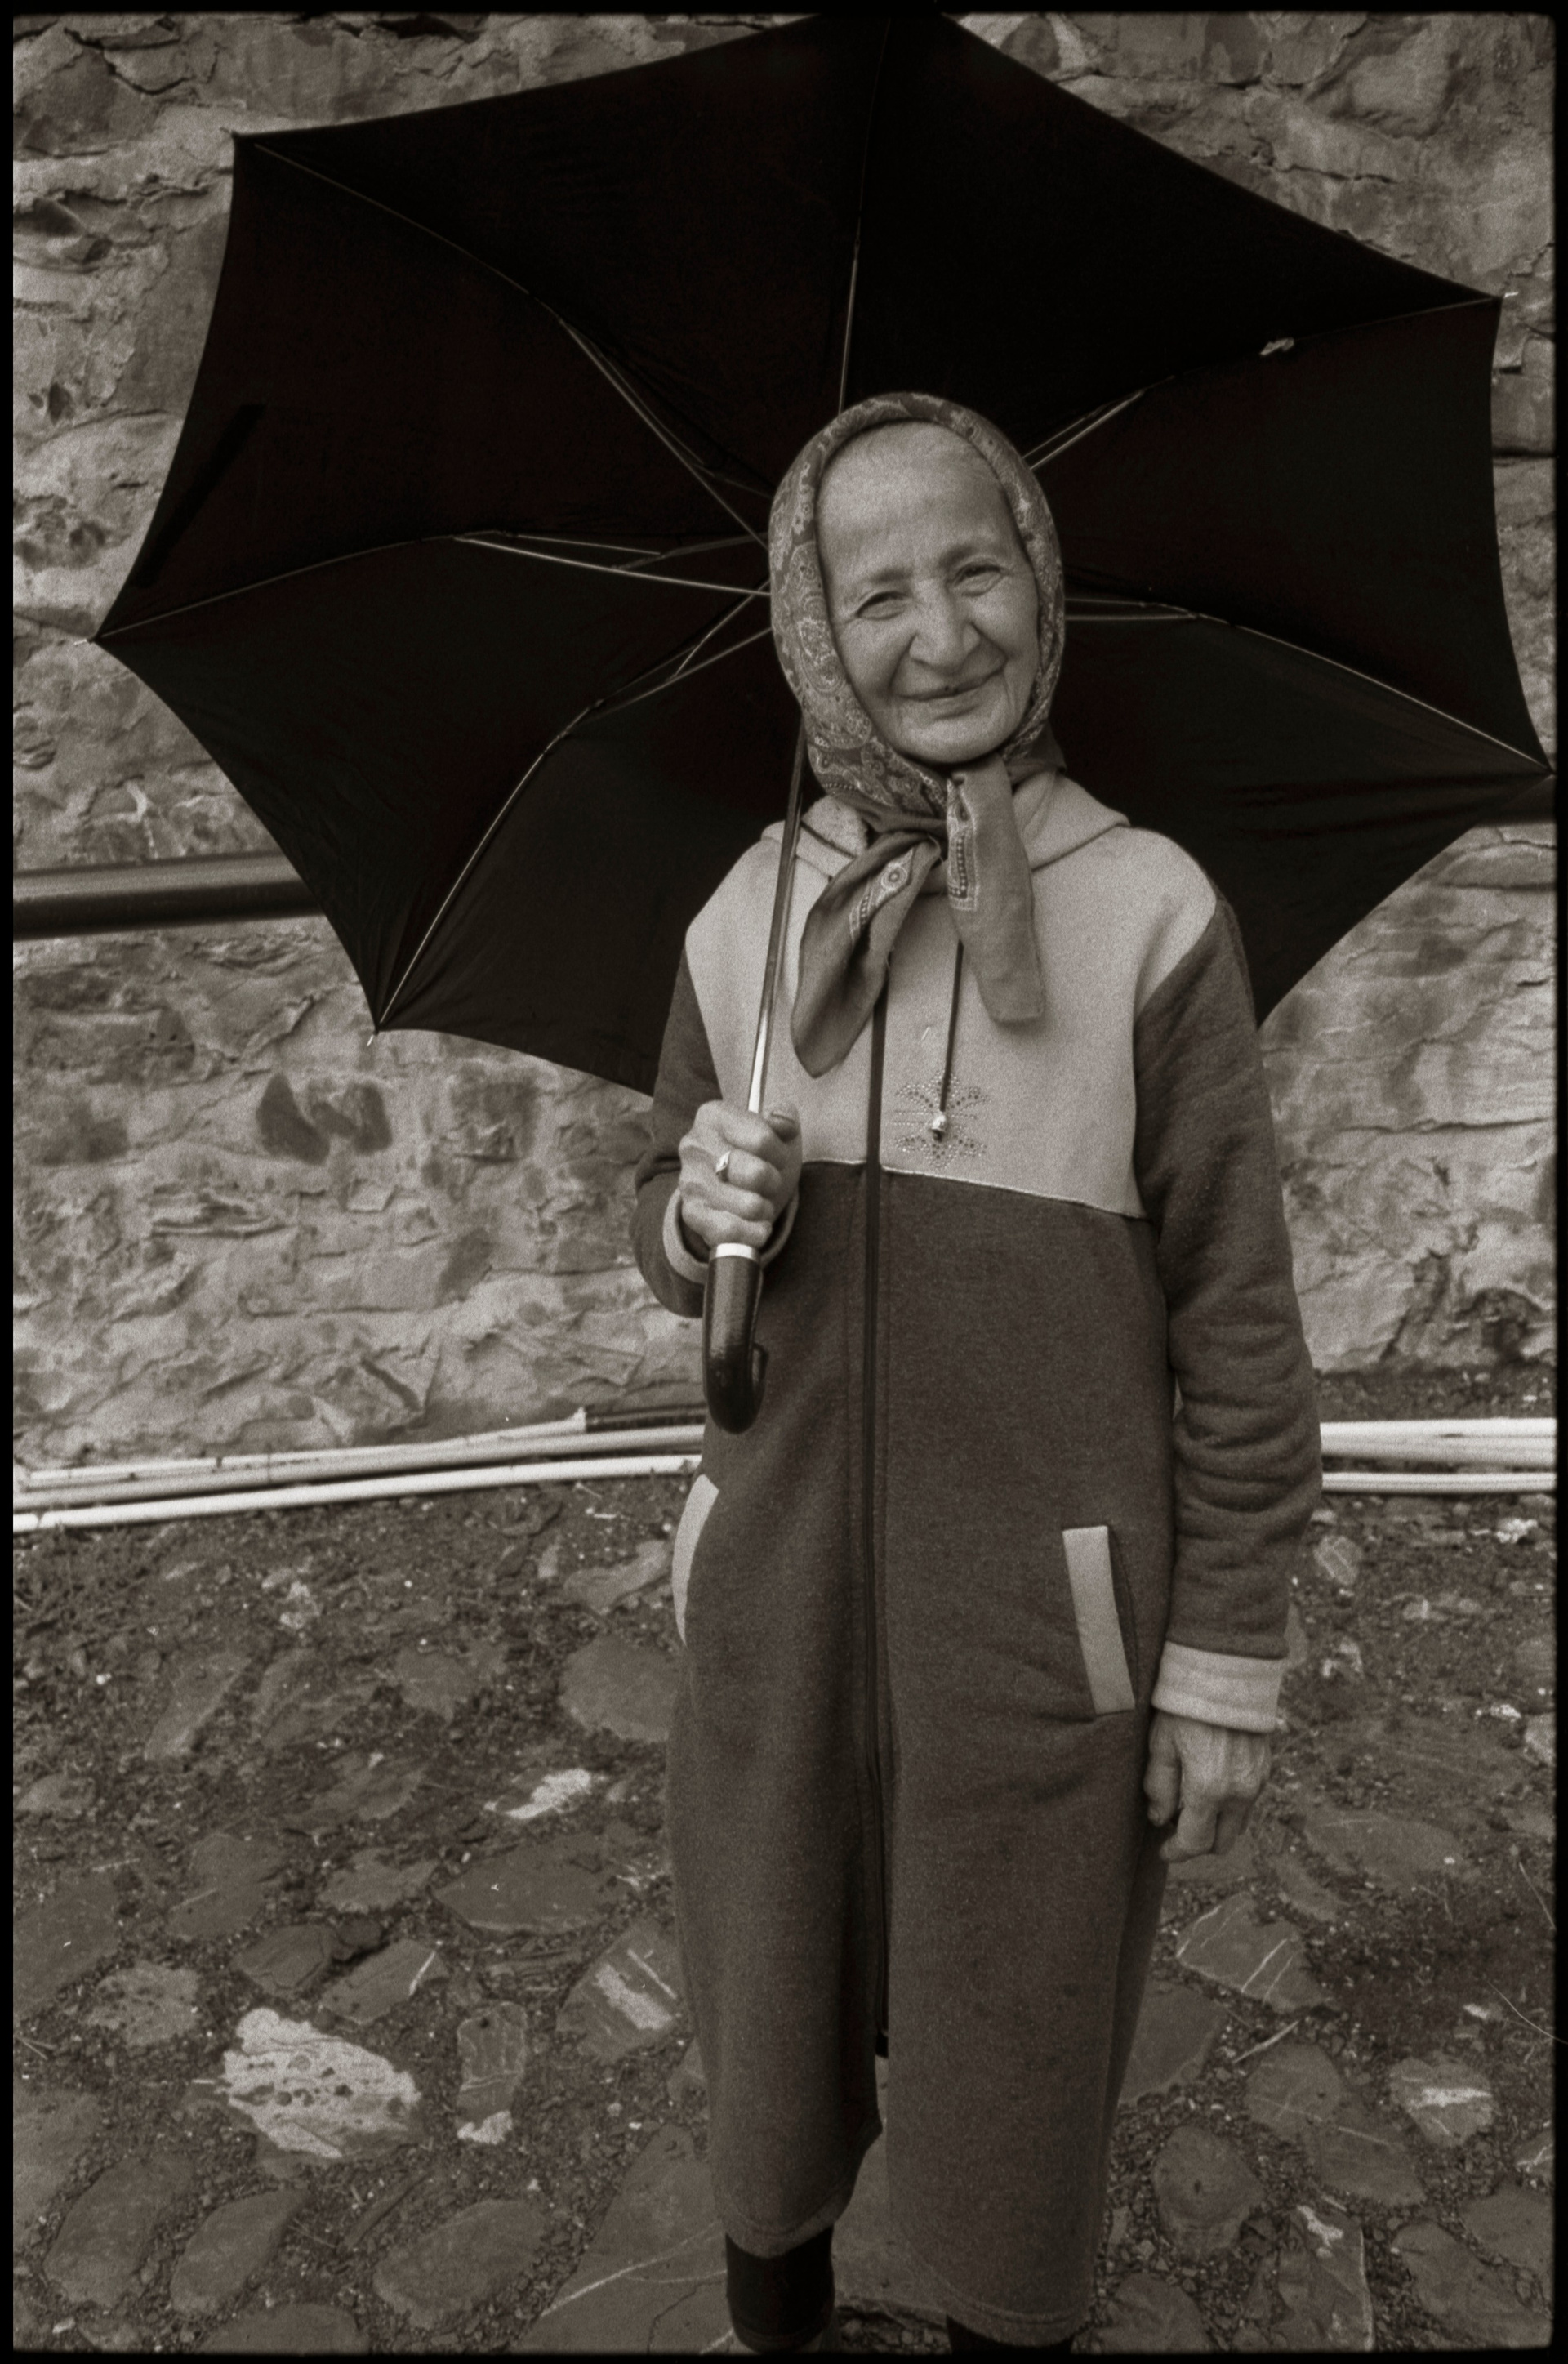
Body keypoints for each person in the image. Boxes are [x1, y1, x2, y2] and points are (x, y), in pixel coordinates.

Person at [631, 390, 1321, 2353]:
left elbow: (1242, 1326)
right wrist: (694, 1213)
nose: (942, 635)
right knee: (766, 2043)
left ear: (1042, 577)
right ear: (811, 635)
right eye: (878, 597)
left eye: (978, 567)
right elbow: (659, 1234)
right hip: (774, 1620)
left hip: (1044, 1642)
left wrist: (1222, 1660)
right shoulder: (743, 917)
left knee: (1018, 2066)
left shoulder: (1154, 916)